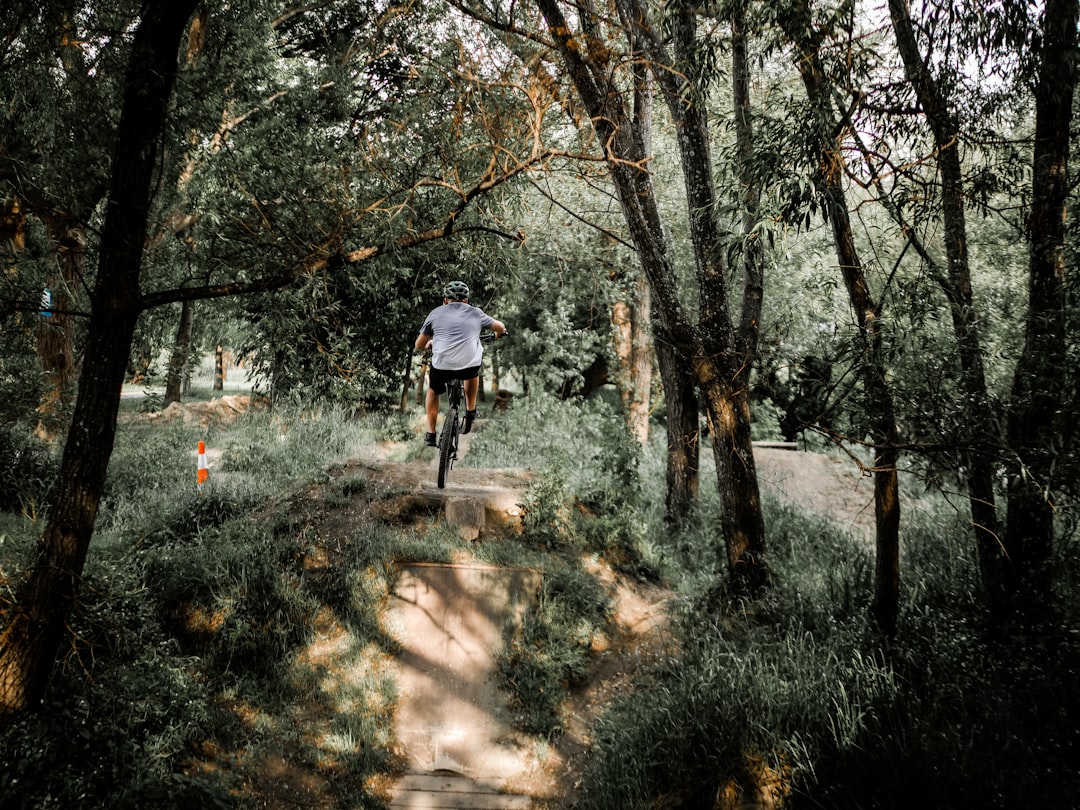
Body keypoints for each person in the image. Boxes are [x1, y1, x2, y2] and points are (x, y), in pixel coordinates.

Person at [415, 280, 507, 447]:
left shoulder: (436, 313)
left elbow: (419, 345)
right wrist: (498, 334)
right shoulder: (476, 313)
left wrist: (429, 344)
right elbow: (500, 326)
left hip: (442, 366)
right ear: (466, 300)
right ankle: (471, 410)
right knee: (472, 372)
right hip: (467, 366)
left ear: (445, 300)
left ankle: (430, 433)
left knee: (434, 390)